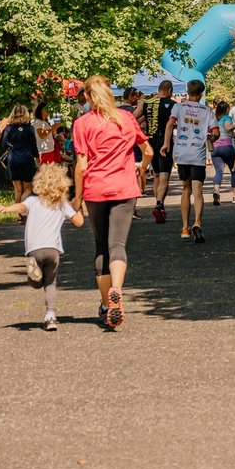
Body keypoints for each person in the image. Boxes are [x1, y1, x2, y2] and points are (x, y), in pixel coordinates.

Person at [72, 74, 153, 328]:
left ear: (86, 96)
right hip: (124, 187)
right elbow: (148, 151)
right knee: (117, 245)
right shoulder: (126, 118)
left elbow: (81, 166)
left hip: (95, 189)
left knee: (101, 247)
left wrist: (77, 197)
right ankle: (117, 288)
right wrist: (142, 170)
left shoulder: (82, 123)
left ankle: (107, 304)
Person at [0, 164, 84, 331]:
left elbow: (21, 208)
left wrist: (7, 209)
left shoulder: (32, 201)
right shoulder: (62, 204)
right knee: (50, 283)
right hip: (53, 250)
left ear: (39, 183)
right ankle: (50, 316)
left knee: (35, 283)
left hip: (33, 251)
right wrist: (78, 208)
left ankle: (34, 277)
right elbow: (79, 223)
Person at [160, 79, 219, 243]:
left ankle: (185, 227)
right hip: (197, 153)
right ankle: (197, 222)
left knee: (186, 188)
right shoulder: (207, 111)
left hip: (182, 152)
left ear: (187, 91)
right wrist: (211, 138)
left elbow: (170, 123)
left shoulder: (178, 107)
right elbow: (215, 132)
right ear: (201, 94)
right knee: (198, 191)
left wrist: (166, 144)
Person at [146, 80, 176, 224]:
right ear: (169, 90)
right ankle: (159, 205)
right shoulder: (173, 105)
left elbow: (134, 117)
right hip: (165, 143)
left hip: (151, 142)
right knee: (164, 176)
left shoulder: (147, 103)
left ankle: (157, 204)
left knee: (156, 175)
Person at [1, 104, 40, 209]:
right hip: (27, 159)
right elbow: (34, 145)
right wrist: (37, 157)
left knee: (17, 189)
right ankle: (23, 210)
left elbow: (4, 144)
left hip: (13, 159)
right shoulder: (29, 128)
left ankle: (18, 213)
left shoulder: (8, 128)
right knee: (28, 188)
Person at [210, 100, 235, 205]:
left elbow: (230, 134)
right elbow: (228, 128)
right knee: (234, 171)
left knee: (219, 171)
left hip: (215, 149)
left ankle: (216, 191)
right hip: (227, 148)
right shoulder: (227, 118)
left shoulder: (215, 120)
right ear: (227, 109)